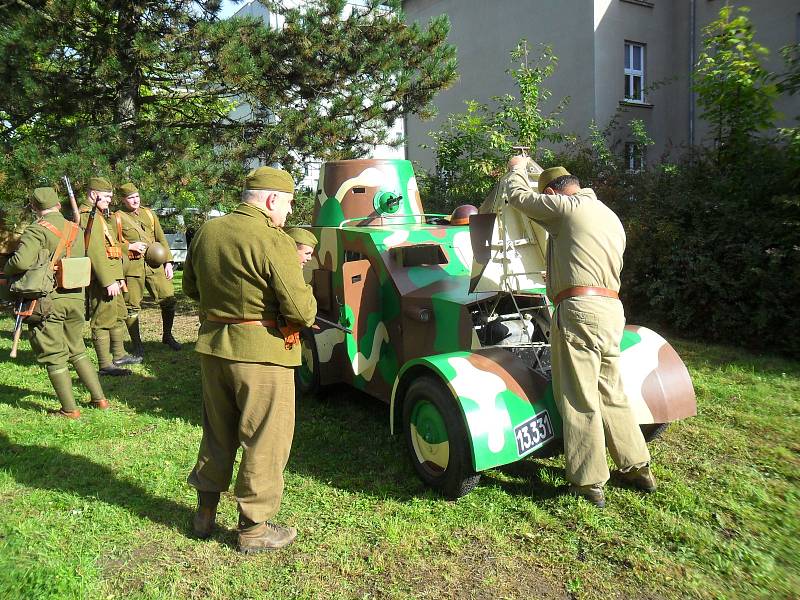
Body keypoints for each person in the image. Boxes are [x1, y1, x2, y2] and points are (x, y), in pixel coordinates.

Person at [505, 159, 655, 508]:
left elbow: (517, 197)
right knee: (611, 391)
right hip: (611, 310)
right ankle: (637, 467)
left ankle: (588, 482)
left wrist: (515, 168)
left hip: (579, 313)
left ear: (553, 193)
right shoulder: (609, 216)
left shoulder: (566, 207)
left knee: (578, 395)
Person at [183, 166, 317, 553]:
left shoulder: (208, 230)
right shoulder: (272, 239)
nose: (289, 214)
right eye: (288, 204)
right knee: (265, 439)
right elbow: (300, 309)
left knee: (217, 430)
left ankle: (204, 514)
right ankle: (253, 530)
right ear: (272, 199)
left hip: (214, 348)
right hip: (262, 355)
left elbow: (191, 285)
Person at [5, 187, 109, 417]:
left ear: (34, 208)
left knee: (54, 354)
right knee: (77, 349)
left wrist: (7, 267)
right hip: (75, 298)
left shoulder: (36, 230)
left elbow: (21, 262)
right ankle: (99, 399)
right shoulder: (75, 228)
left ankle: (70, 410)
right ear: (59, 205)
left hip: (48, 299)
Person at [79, 177, 140, 376]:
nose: (109, 200)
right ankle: (105, 365)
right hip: (102, 279)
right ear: (93, 194)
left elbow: (110, 247)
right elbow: (96, 251)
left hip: (113, 276)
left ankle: (119, 354)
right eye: (105, 197)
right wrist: (108, 280)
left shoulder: (98, 215)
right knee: (102, 320)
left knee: (118, 315)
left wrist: (118, 276)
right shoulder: (89, 216)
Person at [113, 182, 181, 355]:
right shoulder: (117, 218)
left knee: (168, 299)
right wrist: (129, 247)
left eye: (136, 196)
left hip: (154, 266)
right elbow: (112, 243)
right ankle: (137, 345)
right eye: (130, 198)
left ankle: (167, 336)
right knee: (132, 307)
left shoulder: (149, 214)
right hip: (133, 268)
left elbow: (161, 238)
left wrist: (168, 262)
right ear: (123, 200)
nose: (135, 201)